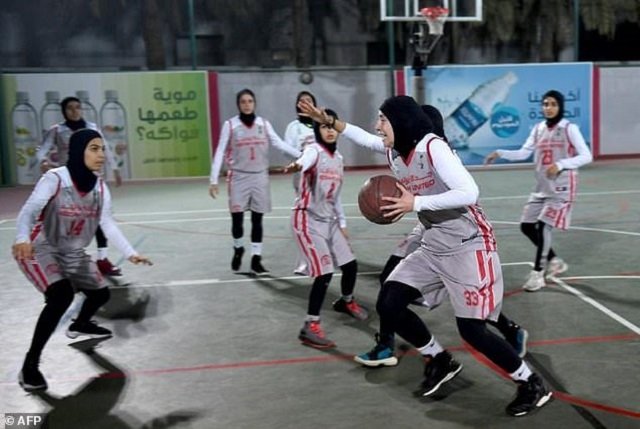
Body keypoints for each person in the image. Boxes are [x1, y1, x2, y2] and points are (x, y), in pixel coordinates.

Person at [300, 96, 552, 417]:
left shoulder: (434, 147)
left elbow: (469, 192)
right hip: (434, 241)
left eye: (382, 119)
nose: (378, 126)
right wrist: (330, 121)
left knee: (472, 330)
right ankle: (438, 359)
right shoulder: (394, 151)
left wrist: (414, 204)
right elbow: (364, 138)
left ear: (401, 122)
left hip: (468, 242)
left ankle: (530, 382)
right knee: (389, 301)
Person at [13, 129, 152, 392]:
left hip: (73, 253)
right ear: (78, 151)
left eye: (102, 149)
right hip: (42, 249)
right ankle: (29, 366)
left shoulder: (100, 188)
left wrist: (131, 252)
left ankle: (80, 324)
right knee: (61, 296)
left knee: (101, 295)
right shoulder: (55, 179)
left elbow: (107, 223)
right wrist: (22, 238)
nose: (101, 154)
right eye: (94, 148)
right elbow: (29, 211)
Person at [484, 90, 592, 291]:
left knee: (543, 226)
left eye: (552, 104)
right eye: (545, 104)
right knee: (526, 226)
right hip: (542, 187)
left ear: (560, 107)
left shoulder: (569, 128)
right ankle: (555, 260)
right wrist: (501, 152)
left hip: (562, 187)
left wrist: (561, 164)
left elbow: (587, 156)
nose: (548, 108)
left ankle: (538, 274)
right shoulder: (539, 128)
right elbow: (524, 152)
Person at [282, 110, 369, 348]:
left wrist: (341, 223)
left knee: (350, 265)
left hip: (328, 221)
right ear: (317, 131)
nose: (329, 130)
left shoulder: (338, 159)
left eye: (331, 126)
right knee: (324, 272)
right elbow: (304, 161)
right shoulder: (314, 151)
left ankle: (345, 301)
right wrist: (296, 165)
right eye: (323, 126)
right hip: (307, 220)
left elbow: (336, 197)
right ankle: (309, 326)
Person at [209, 89, 301, 275]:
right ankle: (238, 248)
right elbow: (220, 151)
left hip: (259, 176)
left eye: (250, 101)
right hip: (238, 176)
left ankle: (256, 259)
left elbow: (279, 144)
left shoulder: (263, 124)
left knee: (258, 219)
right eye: (243, 101)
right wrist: (213, 179)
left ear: (254, 103)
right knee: (237, 219)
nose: (247, 104)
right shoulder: (231, 125)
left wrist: (304, 156)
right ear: (239, 104)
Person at [37, 96, 124, 277]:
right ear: (64, 111)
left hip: (91, 183)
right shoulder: (57, 130)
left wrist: (114, 168)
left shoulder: (92, 128)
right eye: (70, 108)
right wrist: (43, 161)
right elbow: (43, 149)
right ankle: (61, 260)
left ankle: (102, 260)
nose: (75, 111)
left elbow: (105, 148)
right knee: (65, 222)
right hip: (67, 184)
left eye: (78, 107)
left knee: (99, 220)